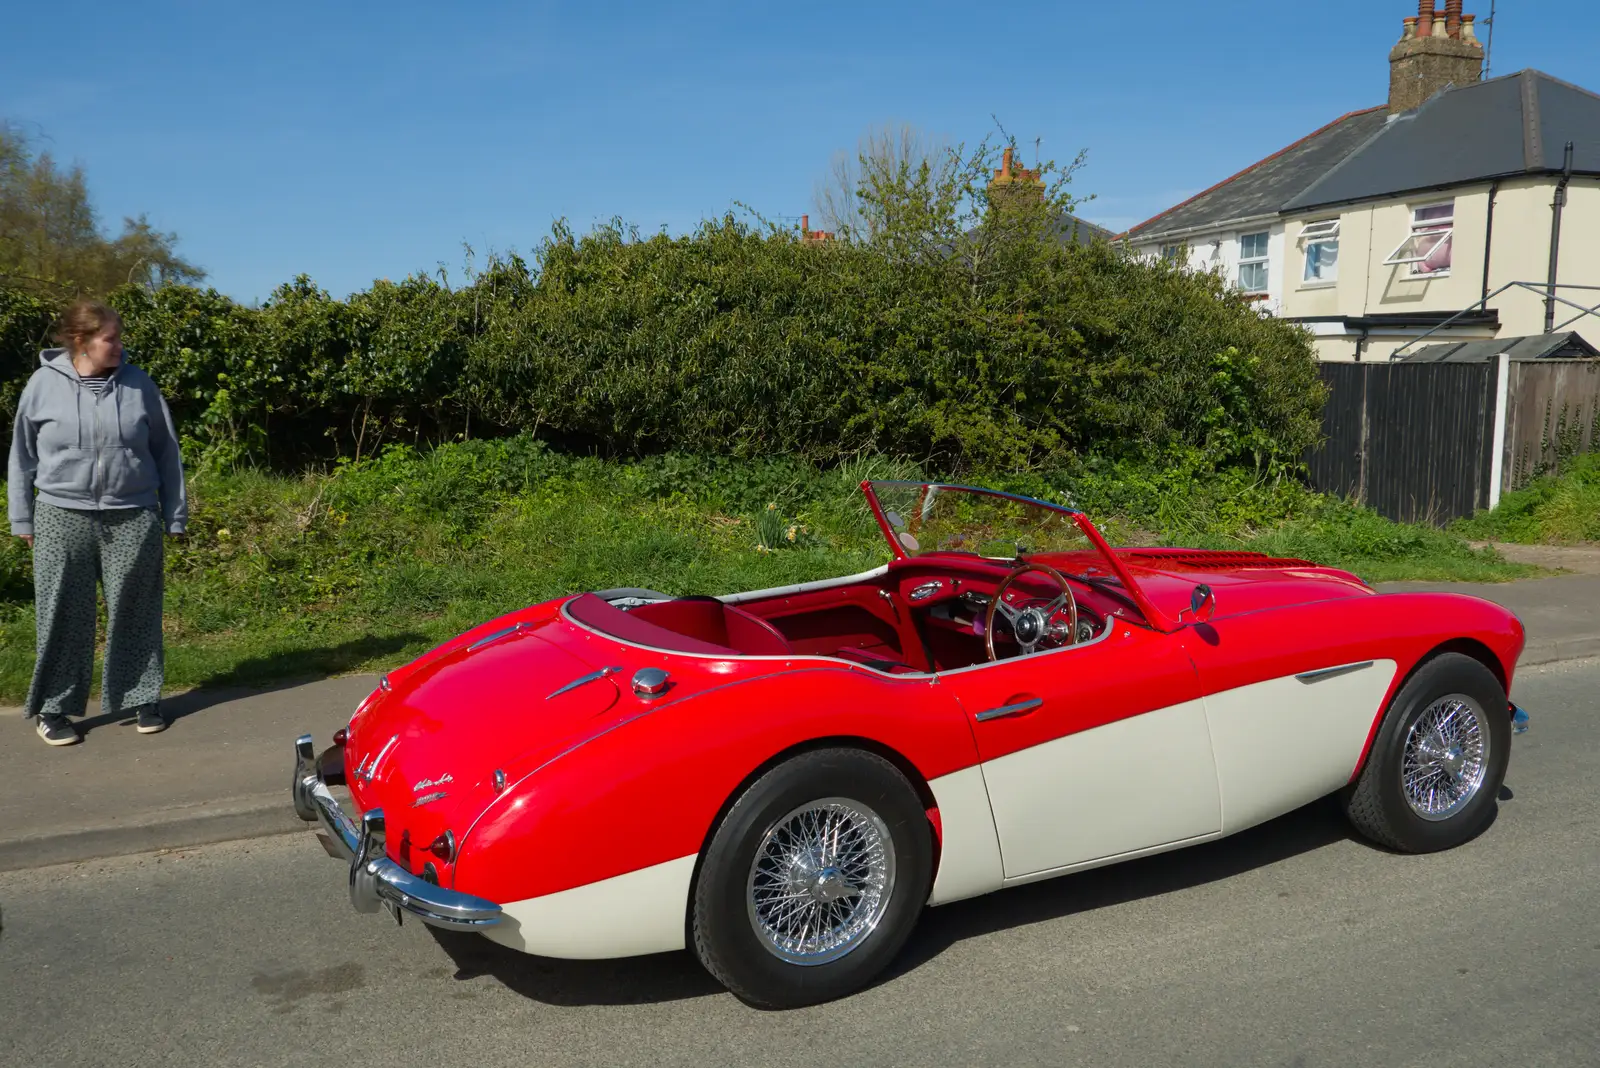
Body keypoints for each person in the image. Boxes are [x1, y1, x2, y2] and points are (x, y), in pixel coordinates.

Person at [8, 299, 187, 746]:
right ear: (80, 340)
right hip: (59, 512)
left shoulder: (139, 384)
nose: (119, 346)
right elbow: (22, 456)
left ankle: (143, 697)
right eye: (111, 338)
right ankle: (55, 708)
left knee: (137, 608)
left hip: (133, 512)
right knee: (62, 613)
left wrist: (175, 513)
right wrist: (21, 517)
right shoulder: (42, 385)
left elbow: (167, 452)